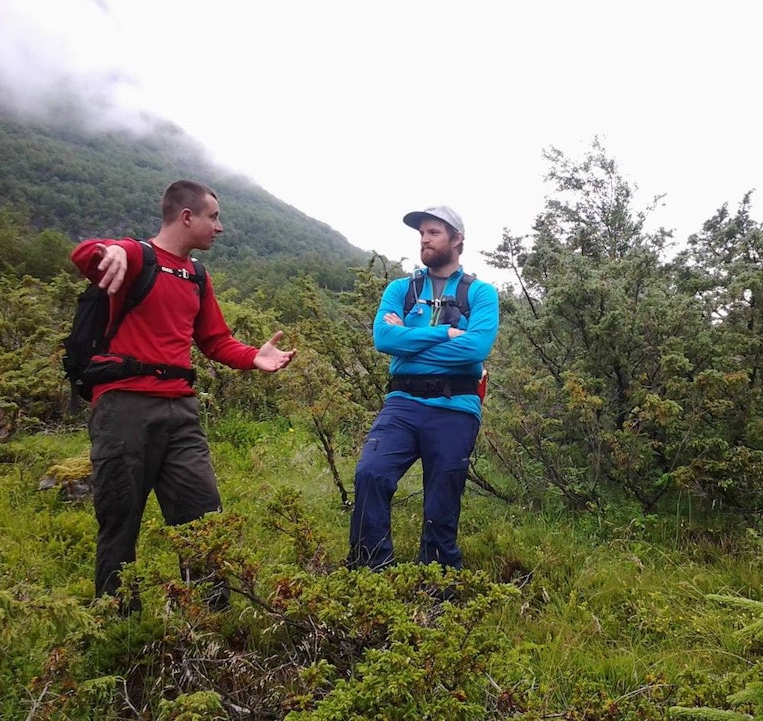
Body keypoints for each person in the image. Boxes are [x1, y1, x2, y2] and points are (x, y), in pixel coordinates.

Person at [70, 180, 295, 610]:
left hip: (181, 409)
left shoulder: (196, 275)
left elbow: (215, 341)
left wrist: (254, 358)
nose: (220, 227)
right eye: (214, 217)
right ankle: (120, 626)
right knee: (120, 519)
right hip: (124, 407)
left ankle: (212, 618)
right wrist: (111, 249)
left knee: (203, 516)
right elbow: (84, 255)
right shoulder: (137, 256)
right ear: (187, 217)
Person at [347, 205, 499, 571]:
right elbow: (383, 338)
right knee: (371, 474)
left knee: (441, 501)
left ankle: (437, 580)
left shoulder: (481, 293)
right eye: (422, 233)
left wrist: (409, 339)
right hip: (402, 404)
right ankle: (370, 572)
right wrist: (443, 333)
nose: (424, 239)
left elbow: (477, 347)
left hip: (456, 406)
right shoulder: (401, 289)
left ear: (457, 239)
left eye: (433, 232)